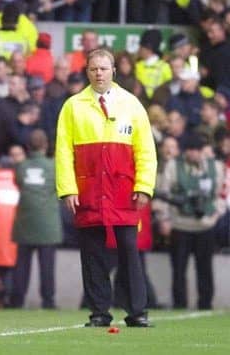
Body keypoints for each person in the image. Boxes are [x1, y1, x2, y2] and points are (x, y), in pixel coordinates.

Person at [55, 48, 157, 327]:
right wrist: (68, 189)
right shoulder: (73, 106)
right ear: (86, 72)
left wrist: (144, 186)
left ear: (114, 70)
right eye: (93, 69)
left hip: (123, 190)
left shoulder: (132, 104)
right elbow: (63, 151)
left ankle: (137, 311)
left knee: (128, 251)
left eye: (103, 68)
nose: (99, 73)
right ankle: (99, 312)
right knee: (92, 254)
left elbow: (145, 150)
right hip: (88, 190)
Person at [153, 135, 225, 310]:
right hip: (180, 224)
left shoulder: (215, 167)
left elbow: (219, 195)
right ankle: (179, 303)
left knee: (205, 268)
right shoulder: (173, 166)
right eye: (191, 150)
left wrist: (215, 215)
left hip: (205, 225)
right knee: (178, 268)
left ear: (202, 151)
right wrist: (164, 218)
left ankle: (205, 303)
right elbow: (163, 193)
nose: (194, 154)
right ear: (185, 151)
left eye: (197, 150)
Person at [11, 129, 62, 309]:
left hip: (25, 221)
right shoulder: (54, 166)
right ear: (46, 145)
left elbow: (18, 183)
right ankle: (48, 301)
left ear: (28, 146)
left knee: (22, 266)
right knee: (47, 266)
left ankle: (17, 301)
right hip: (48, 223)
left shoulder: (21, 166)